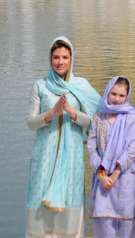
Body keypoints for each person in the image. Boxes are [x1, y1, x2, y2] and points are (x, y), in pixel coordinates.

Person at [26, 36, 100, 237]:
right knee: (40, 206)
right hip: (44, 157)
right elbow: (30, 123)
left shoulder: (81, 85)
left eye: (65, 57)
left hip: (72, 157)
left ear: (71, 58)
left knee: (70, 204)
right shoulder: (40, 86)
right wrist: (52, 113)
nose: (60, 62)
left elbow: (97, 121)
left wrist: (73, 113)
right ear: (50, 59)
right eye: (56, 57)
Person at [87, 76, 135, 238]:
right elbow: (91, 147)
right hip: (102, 179)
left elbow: (133, 148)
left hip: (124, 178)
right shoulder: (98, 117)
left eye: (121, 96)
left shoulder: (131, 117)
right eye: (113, 94)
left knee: (127, 225)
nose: (117, 99)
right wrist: (102, 174)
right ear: (107, 93)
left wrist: (116, 173)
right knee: (103, 224)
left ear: (127, 96)